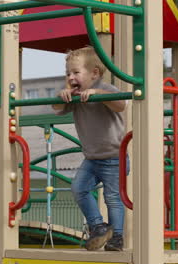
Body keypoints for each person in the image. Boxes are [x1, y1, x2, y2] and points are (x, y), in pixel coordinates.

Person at [52, 46, 129, 251]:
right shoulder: (75, 97)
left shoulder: (107, 90)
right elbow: (57, 109)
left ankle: (117, 238)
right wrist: (62, 95)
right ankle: (98, 226)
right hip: (92, 159)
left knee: (112, 198)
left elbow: (121, 105)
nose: (70, 77)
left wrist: (97, 94)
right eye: (68, 73)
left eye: (76, 72)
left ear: (94, 73)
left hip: (115, 157)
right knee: (79, 188)